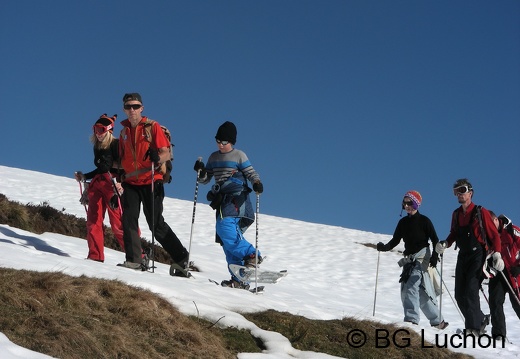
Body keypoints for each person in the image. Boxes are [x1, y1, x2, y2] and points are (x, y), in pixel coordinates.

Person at [117, 92, 191, 275]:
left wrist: (158, 157)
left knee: (155, 224)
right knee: (128, 220)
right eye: (128, 107)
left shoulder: (152, 127)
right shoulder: (124, 132)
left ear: (141, 108)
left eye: (135, 106)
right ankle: (134, 259)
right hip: (131, 182)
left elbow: (167, 152)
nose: (132, 110)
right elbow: (122, 158)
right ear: (124, 109)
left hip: (151, 179)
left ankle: (181, 257)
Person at [194, 121, 263, 289]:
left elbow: (251, 172)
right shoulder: (213, 157)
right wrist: (201, 172)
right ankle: (239, 280)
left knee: (225, 227)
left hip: (236, 198)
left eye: (224, 142)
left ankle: (252, 254)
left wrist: (256, 183)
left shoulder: (239, 155)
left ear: (231, 141)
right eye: (218, 140)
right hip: (221, 200)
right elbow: (205, 180)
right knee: (226, 241)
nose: (220, 144)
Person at [435, 178, 504, 336]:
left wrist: (498, 254)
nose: (459, 194)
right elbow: (453, 233)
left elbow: (494, 236)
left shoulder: (480, 212)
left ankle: (473, 330)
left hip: (478, 254)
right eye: (456, 191)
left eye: (462, 190)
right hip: (463, 255)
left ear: (470, 193)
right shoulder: (456, 214)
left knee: (471, 289)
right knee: (460, 294)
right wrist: (445, 243)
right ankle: (480, 320)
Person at [377, 190, 448, 329]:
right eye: (404, 202)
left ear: (416, 204)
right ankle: (438, 321)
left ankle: (411, 320)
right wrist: (384, 247)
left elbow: (435, 240)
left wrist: (434, 257)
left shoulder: (425, 221)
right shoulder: (402, 222)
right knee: (417, 291)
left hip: (422, 257)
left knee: (411, 286)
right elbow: (395, 240)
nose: (406, 205)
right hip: (409, 259)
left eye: (409, 202)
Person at [74, 114, 125, 262]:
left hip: (112, 185)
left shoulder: (116, 144)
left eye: (101, 129)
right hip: (98, 184)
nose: (98, 133)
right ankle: (95, 256)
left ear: (109, 130)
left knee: (118, 224)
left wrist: (121, 182)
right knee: (93, 220)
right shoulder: (97, 146)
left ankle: (137, 256)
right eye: (95, 129)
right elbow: (101, 169)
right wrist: (85, 176)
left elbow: (123, 166)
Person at [488, 212, 520, 341]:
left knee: (517, 304)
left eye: (491, 224)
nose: (490, 227)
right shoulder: (489, 236)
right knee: (495, 301)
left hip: (514, 272)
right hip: (499, 272)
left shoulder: (512, 230)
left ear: (496, 220)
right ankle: (498, 336)